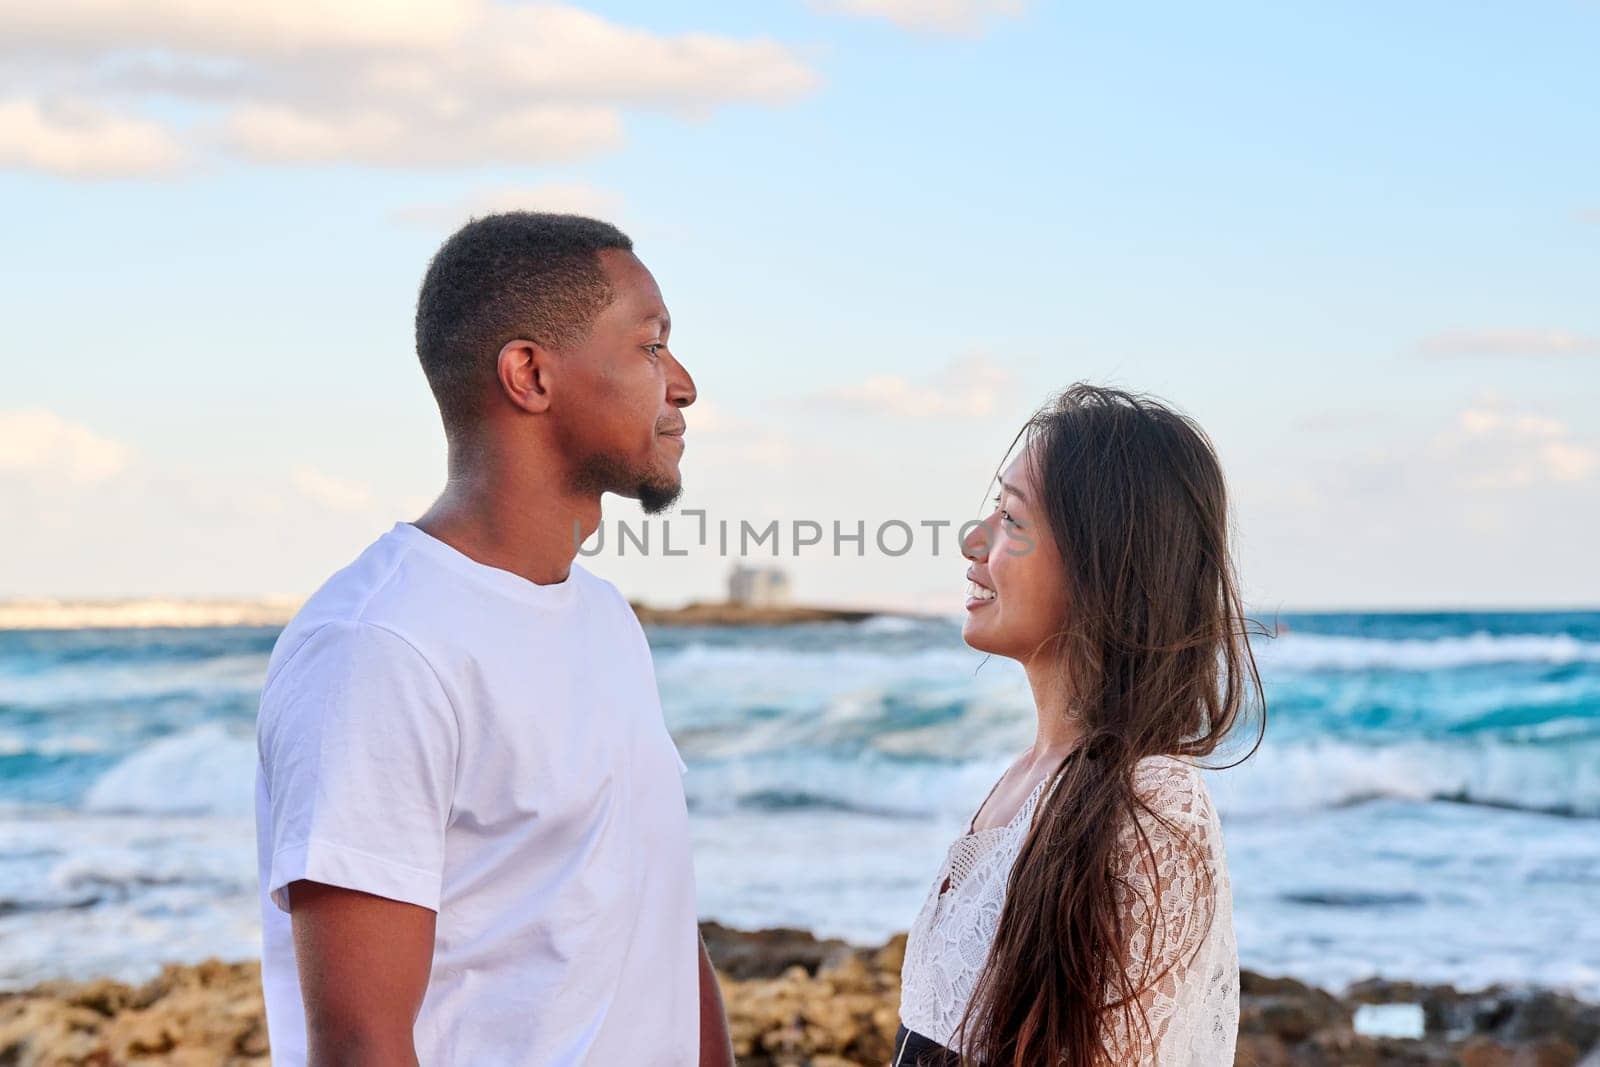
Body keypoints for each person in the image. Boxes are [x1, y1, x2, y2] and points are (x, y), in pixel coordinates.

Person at [252, 212, 733, 1066]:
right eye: (651, 347)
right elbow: (362, 1042)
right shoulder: (382, 648)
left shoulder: (606, 620)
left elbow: (653, 917)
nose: (684, 384)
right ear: (530, 374)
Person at [895, 384, 1264, 1066]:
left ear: (1101, 555)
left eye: (1010, 517)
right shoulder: (1030, 779)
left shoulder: (1152, 803)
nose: (974, 541)